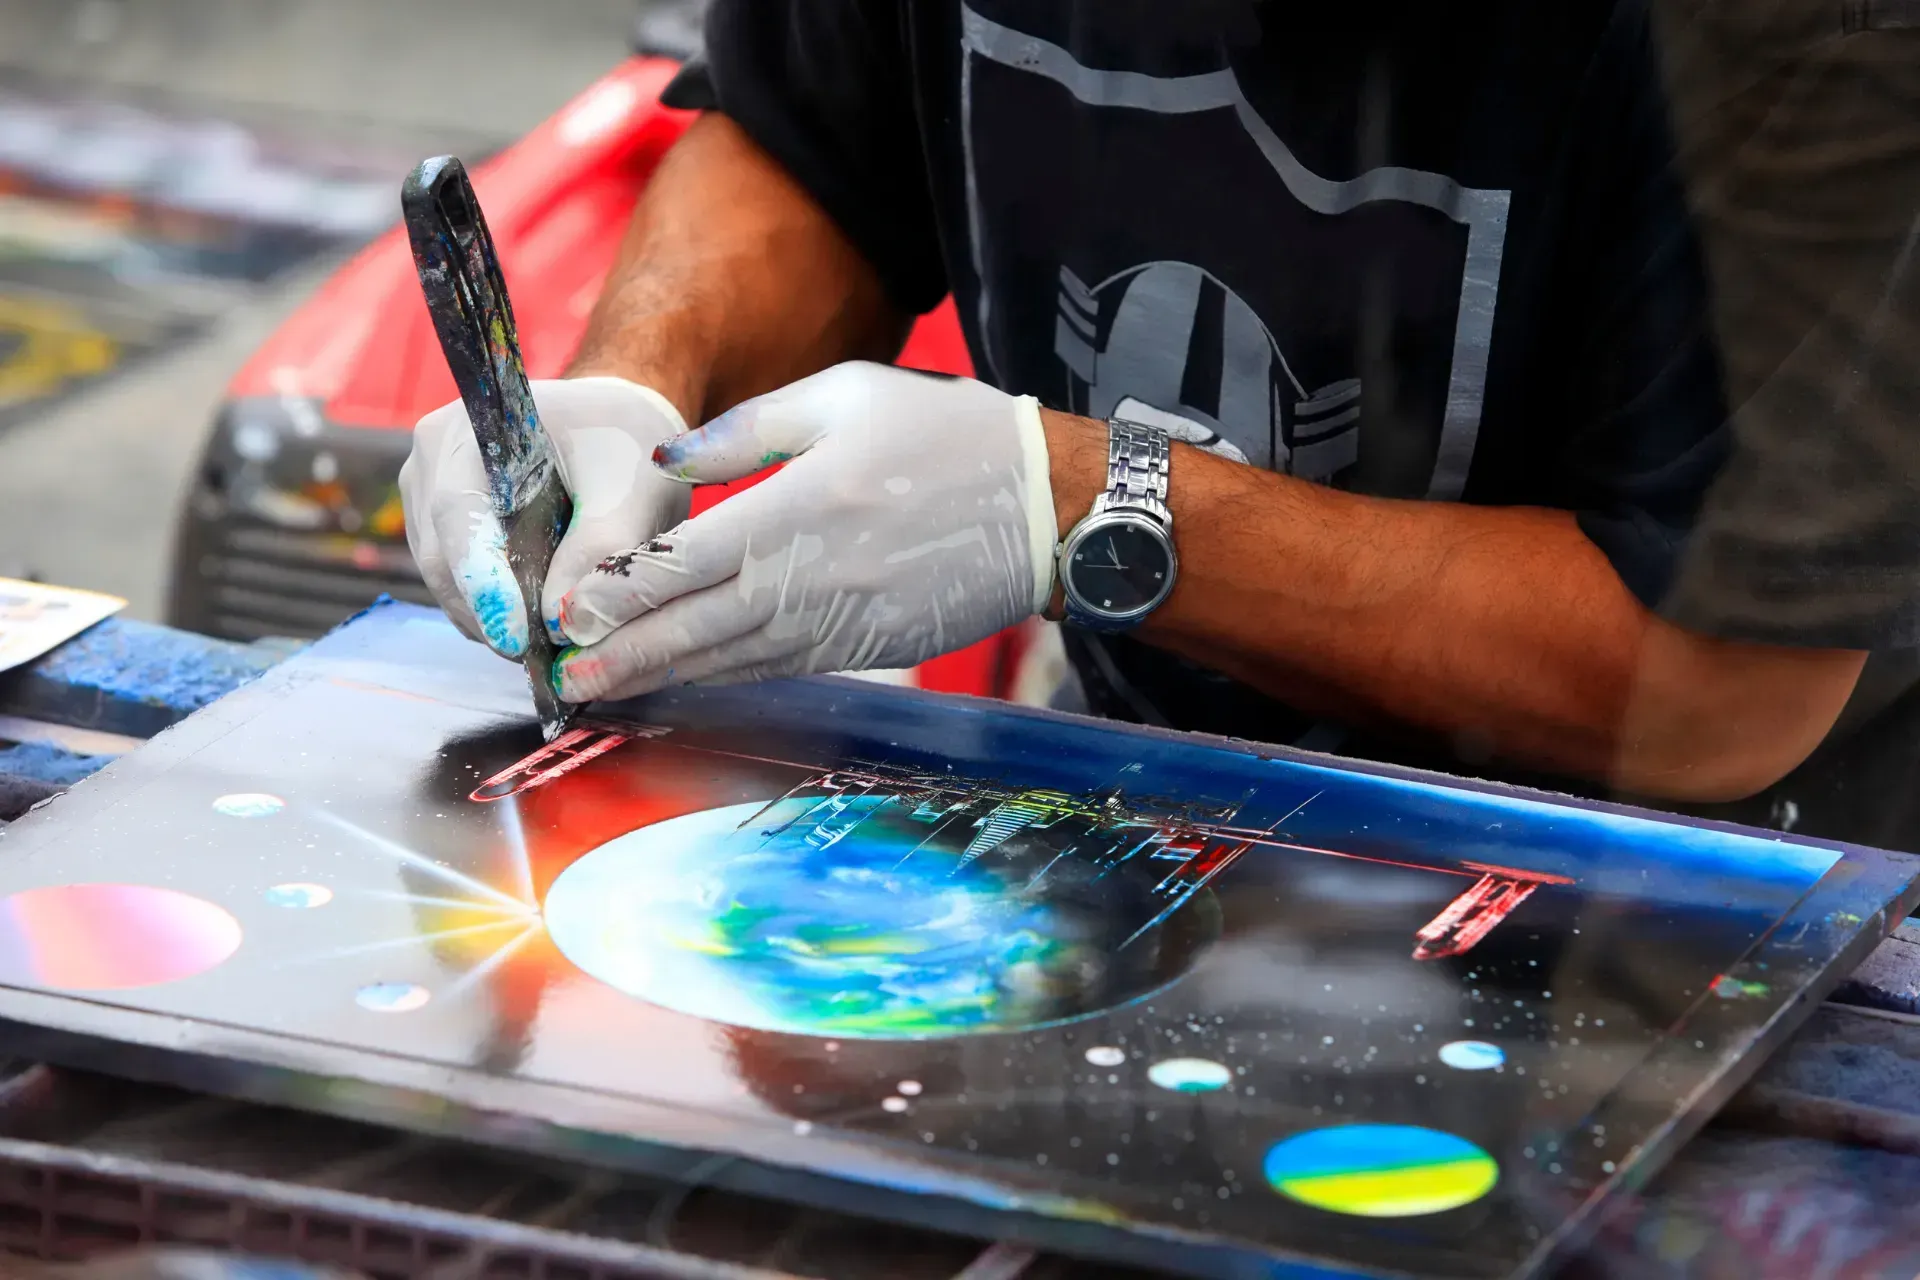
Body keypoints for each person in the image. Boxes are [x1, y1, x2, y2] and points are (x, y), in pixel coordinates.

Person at [401, 0, 1920, 812]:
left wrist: (1081, 504)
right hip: (1154, 782)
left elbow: (1724, 685)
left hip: (1693, 892)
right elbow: (812, 146)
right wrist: (634, 393)